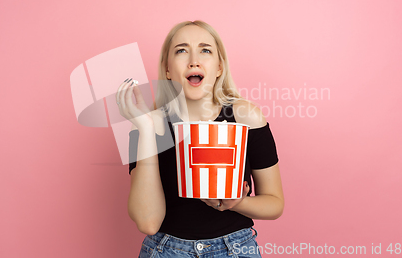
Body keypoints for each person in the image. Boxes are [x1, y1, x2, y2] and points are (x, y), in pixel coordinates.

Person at [116, 20, 284, 258]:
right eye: (181, 50)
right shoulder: (147, 126)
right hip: (166, 250)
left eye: (205, 50)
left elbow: (275, 203)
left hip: (235, 249)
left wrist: (237, 202)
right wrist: (145, 129)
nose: (194, 60)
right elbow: (148, 223)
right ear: (167, 69)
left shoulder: (246, 117)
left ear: (219, 67)